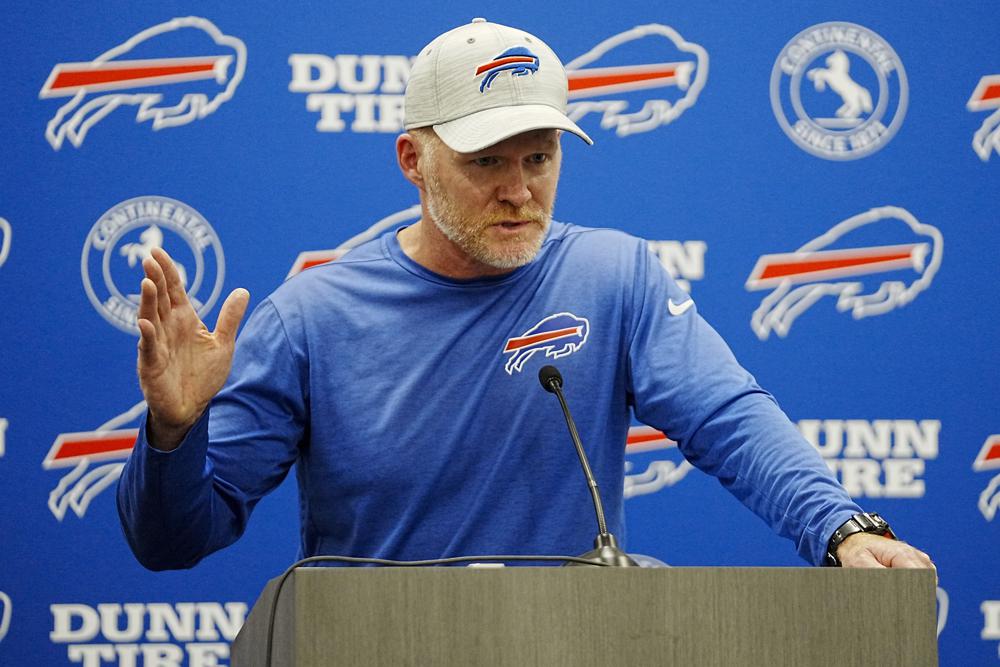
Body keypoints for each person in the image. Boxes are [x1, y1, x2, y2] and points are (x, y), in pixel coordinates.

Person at [117, 19, 934, 572]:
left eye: (539, 158)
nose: (519, 191)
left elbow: (728, 415)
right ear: (412, 159)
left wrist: (841, 527)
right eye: (487, 162)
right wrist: (173, 431)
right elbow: (172, 540)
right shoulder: (310, 317)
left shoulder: (615, 276)